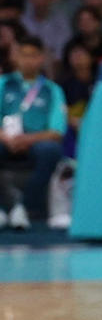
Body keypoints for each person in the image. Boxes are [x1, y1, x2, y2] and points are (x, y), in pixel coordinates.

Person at [2, 33, 70, 230]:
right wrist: (6, 137)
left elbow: (57, 131)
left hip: (37, 142)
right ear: (16, 56)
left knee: (50, 150)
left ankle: (21, 208)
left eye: (33, 55)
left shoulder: (52, 89)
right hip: (6, 139)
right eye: (23, 55)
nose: (28, 60)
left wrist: (27, 139)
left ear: (41, 58)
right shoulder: (3, 84)